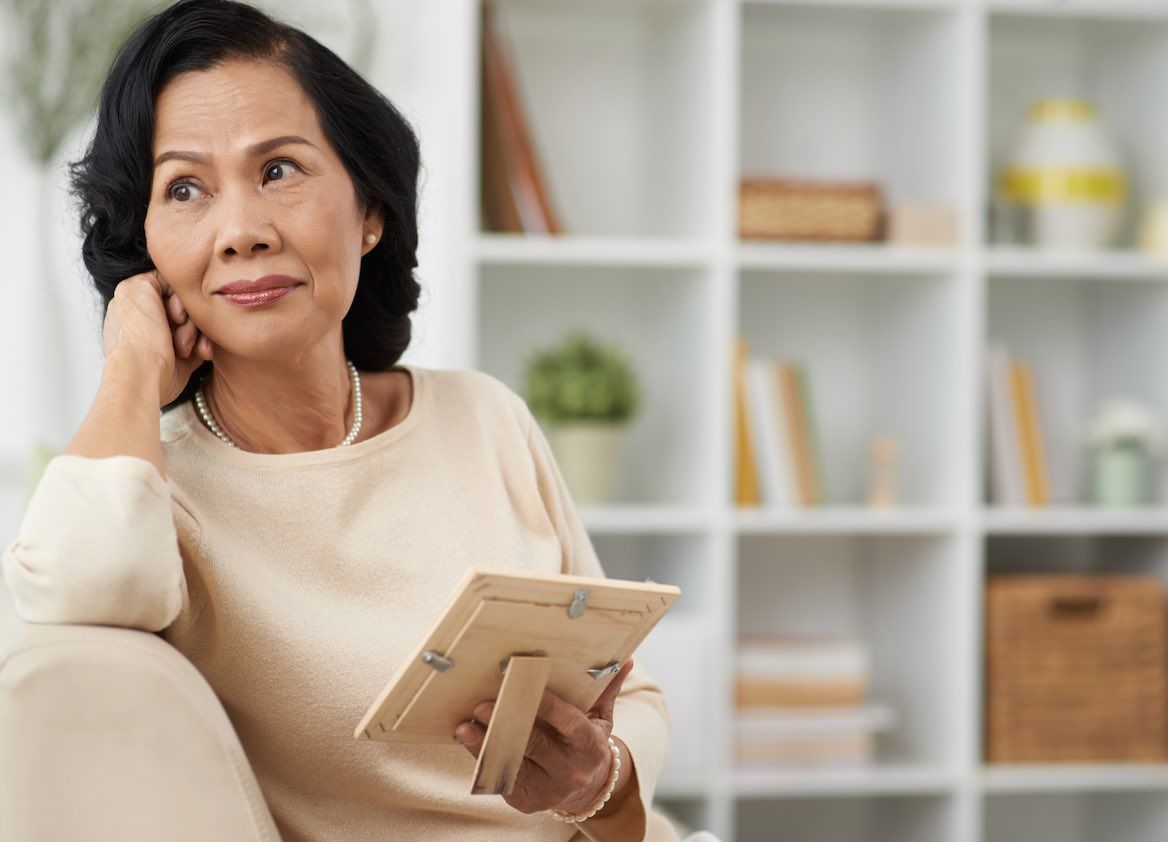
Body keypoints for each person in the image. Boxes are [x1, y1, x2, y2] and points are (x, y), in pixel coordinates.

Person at [0, 2, 679, 840]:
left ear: (369, 211)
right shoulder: (156, 498)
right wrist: (131, 364)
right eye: (184, 188)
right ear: (146, 247)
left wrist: (596, 784)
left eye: (279, 169)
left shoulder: (484, 417)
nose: (241, 231)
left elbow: (630, 696)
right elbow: (79, 590)